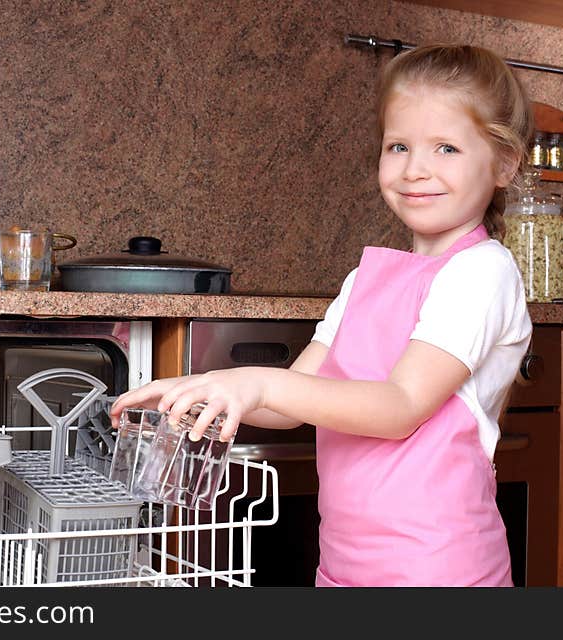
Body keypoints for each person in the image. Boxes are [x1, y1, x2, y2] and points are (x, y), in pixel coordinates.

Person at [110, 43, 534, 587]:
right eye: (398, 145)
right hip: (342, 567)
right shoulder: (367, 280)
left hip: (437, 570)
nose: (414, 169)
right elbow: (294, 401)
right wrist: (202, 387)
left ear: (503, 163)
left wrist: (256, 384)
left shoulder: (484, 271)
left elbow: (400, 405)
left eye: (446, 147)